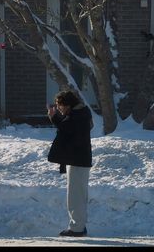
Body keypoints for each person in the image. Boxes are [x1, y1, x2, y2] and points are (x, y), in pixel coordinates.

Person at [47, 90, 93, 237]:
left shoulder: (77, 116)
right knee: (78, 195)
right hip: (79, 160)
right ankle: (79, 225)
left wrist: (54, 118)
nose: (59, 108)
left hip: (77, 161)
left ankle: (77, 228)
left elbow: (66, 130)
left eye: (60, 105)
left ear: (67, 104)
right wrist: (57, 118)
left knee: (75, 196)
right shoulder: (80, 114)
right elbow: (67, 128)